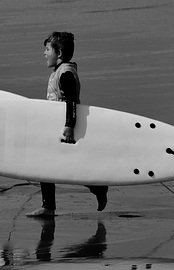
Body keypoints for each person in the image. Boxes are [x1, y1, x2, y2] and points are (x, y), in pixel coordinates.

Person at [26, 32, 108, 217]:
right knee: (48, 165)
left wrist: (69, 125)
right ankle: (50, 206)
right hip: (57, 126)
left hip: (64, 128)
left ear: (60, 53)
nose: (44, 54)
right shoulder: (60, 71)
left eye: (47, 50)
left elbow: (71, 101)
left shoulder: (66, 74)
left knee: (60, 165)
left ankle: (97, 187)